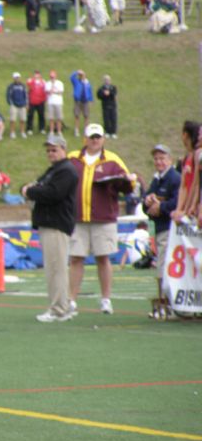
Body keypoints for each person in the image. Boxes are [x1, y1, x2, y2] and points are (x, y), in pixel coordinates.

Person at [67, 123, 136, 315]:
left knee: (103, 258)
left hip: (103, 217)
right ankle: (71, 300)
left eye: (98, 137)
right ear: (85, 139)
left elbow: (129, 184)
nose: (95, 140)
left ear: (103, 139)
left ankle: (106, 298)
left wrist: (125, 182)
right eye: (92, 137)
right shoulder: (72, 158)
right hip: (78, 217)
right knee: (75, 258)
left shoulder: (113, 160)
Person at [21, 134, 79, 322]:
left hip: (56, 223)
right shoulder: (54, 170)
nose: (50, 153)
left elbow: (53, 193)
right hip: (50, 223)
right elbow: (39, 186)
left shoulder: (66, 171)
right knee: (55, 268)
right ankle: (62, 306)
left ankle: (58, 309)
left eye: (54, 150)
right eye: (48, 150)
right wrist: (31, 189)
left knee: (56, 269)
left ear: (64, 149)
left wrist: (30, 191)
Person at [142, 143, 180, 316]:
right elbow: (147, 202)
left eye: (162, 158)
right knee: (162, 266)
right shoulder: (157, 179)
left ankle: (167, 304)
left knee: (164, 267)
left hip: (170, 229)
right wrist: (147, 202)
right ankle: (165, 303)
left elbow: (178, 202)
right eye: (156, 158)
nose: (159, 162)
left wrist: (161, 207)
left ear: (170, 159)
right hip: (160, 229)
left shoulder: (174, 178)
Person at [70, 70, 93, 137]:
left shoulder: (87, 83)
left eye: (82, 75)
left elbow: (90, 91)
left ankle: (86, 130)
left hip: (85, 101)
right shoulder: (76, 82)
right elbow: (71, 77)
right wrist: (76, 72)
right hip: (78, 101)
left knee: (86, 116)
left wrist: (91, 100)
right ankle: (76, 130)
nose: (81, 76)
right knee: (77, 115)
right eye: (80, 75)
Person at [6, 73, 28, 139]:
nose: (17, 79)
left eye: (18, 77)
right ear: (13, 78)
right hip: (14, 105)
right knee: (13, 119)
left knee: (23, 119)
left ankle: (22, 132)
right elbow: (8, 96)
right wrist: (11, 103)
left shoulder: (23, 86)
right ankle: (12, 132)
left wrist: (26, 103)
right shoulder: (11, 86)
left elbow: (26, 95)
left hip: (22, 105)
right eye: (16, 77)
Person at [26, 70, 47, 135]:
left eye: (38, 74)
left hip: (41, 101)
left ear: (40, 75)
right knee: (30, 115)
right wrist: (33, 79)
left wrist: (45, 100)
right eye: (36, 74)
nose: (37, 75)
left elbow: (45, 90)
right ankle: (29, 128)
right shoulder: (31, 80)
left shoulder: (43, 81)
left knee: (41, 115)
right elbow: (28, 84)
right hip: (32, 101)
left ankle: (42, 128)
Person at [45, 70, 65, 136]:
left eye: (53, 77)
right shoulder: (47, 83)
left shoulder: (60, 83)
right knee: (51, 118)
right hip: (50, 102)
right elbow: (48, 92)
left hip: (58, 103)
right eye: (51, 77)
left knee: (59, 118)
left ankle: (59, 131)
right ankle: (51, 131)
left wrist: (54, 91)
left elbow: (60, 92)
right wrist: (53, 89)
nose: (52, 78)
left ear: (55, 76)